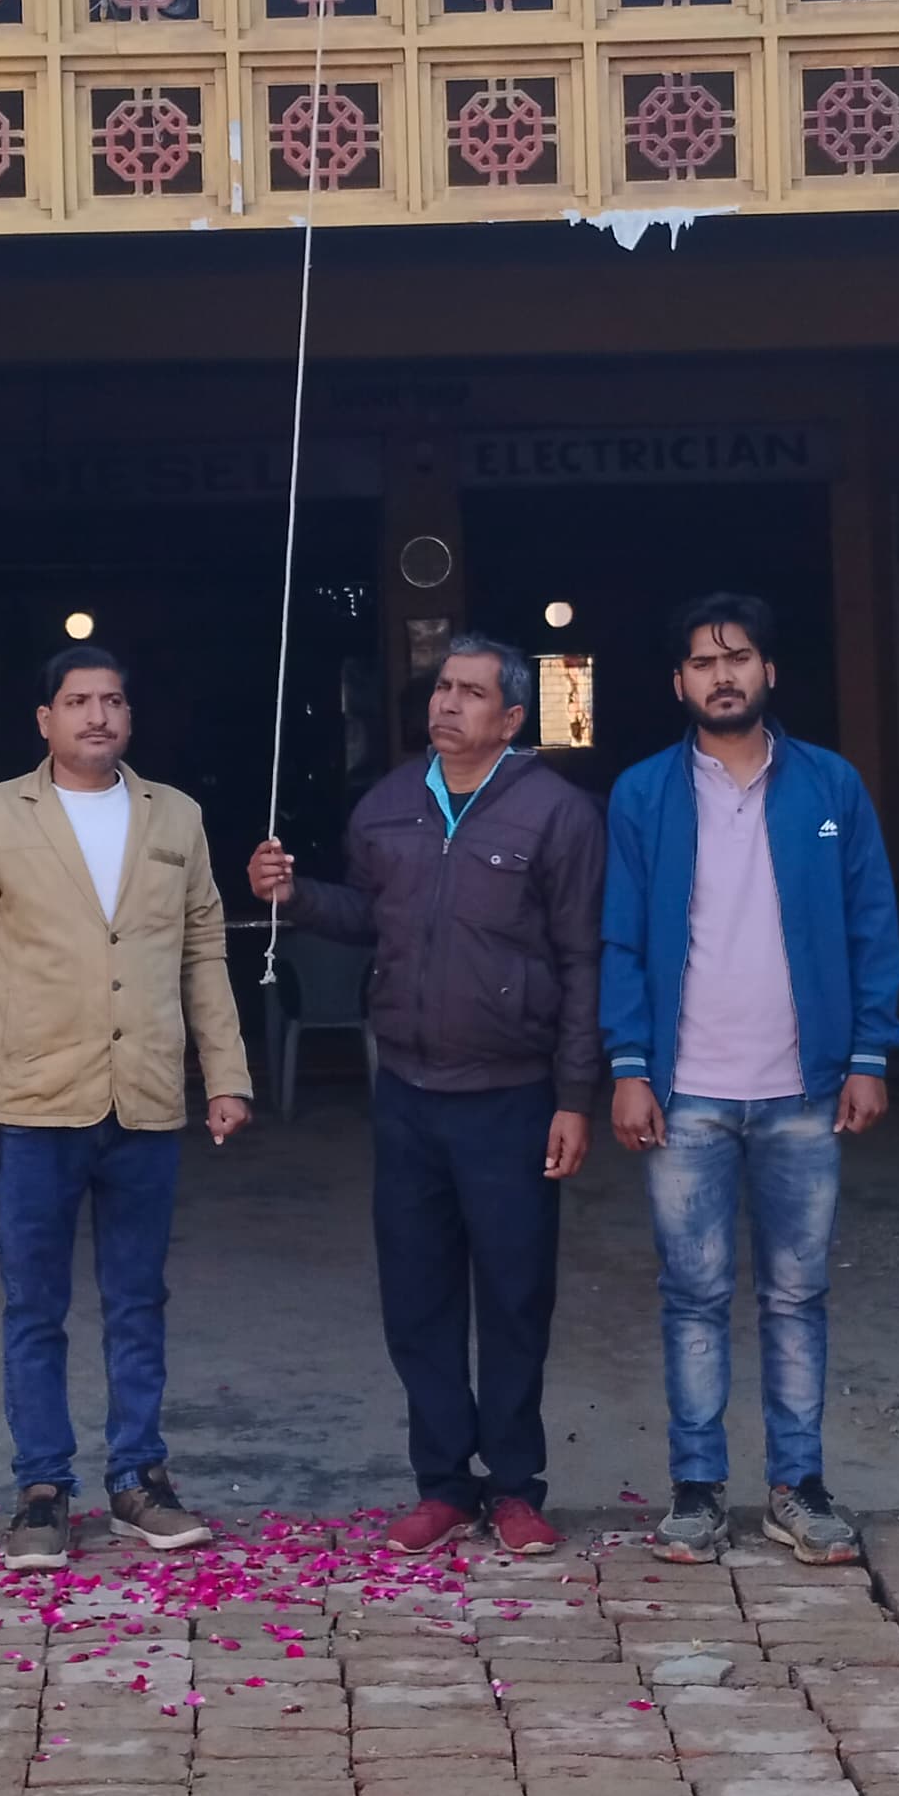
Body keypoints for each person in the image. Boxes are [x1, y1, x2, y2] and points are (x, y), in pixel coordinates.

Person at [249, 631, 604, 1560]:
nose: (447, 703)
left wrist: (576, 1096)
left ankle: (516, 1486)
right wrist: (297, 896)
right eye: (443, 687)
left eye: (471, 692)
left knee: (515, 1296)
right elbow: (373, 918)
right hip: (406, 1089)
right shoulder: (388, 805)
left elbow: (581, 959)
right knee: (417, 1297)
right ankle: (444, 1484)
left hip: (513, 1093)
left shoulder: (558, 814)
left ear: (513, 717)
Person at [0, 642, 251, 1567]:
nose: (97, 716)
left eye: (112, 701)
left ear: (130, 717)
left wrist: (226, 1074)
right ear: (46, 720)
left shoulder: (175, 816)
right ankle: (42, 1489)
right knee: (34, 1303)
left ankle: (139, 1480)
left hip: (143, 1094)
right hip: (34, 1098)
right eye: (78, 702)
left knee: (137, 1298)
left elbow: (202, 951)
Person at [601, 591, 899, 1568]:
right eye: (702, 660)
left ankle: (795, 1488)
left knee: (794, 1295)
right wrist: (629, 1066)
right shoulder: (644, 794)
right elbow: (620, 938)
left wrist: (868, 1054)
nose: (721, 674)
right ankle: (696, 1492)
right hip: (684, 1090)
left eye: (736, 657)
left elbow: (870, 921)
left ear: (768, 671)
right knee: (691, 1294)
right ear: (677, 683)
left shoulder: (828, 787)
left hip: (800, 1091)